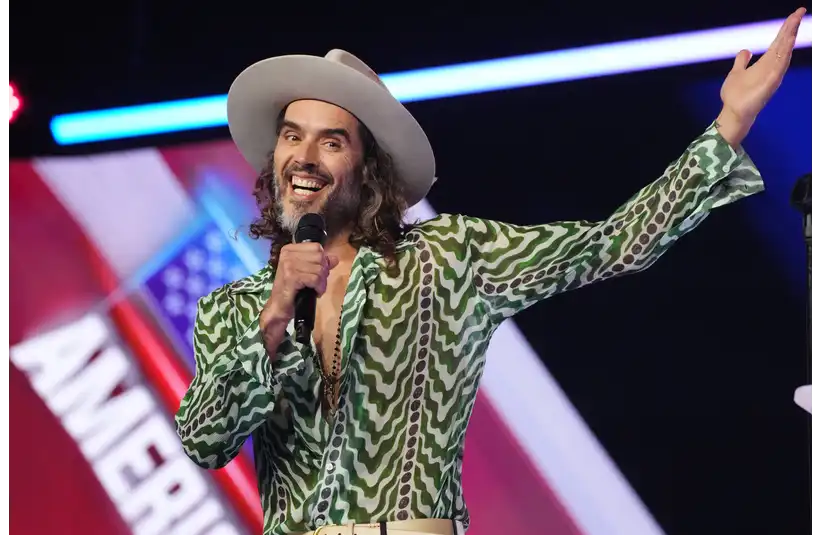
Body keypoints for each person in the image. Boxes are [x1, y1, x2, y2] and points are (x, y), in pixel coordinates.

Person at [175, 9, 807, 535]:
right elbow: (205, 442)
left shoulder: (449, 256)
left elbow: (612, 245)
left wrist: (730, 125)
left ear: (368, 168)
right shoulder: (234, 310)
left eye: (331, 141)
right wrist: (275, 316)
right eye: (292, 137)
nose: (305, 157)